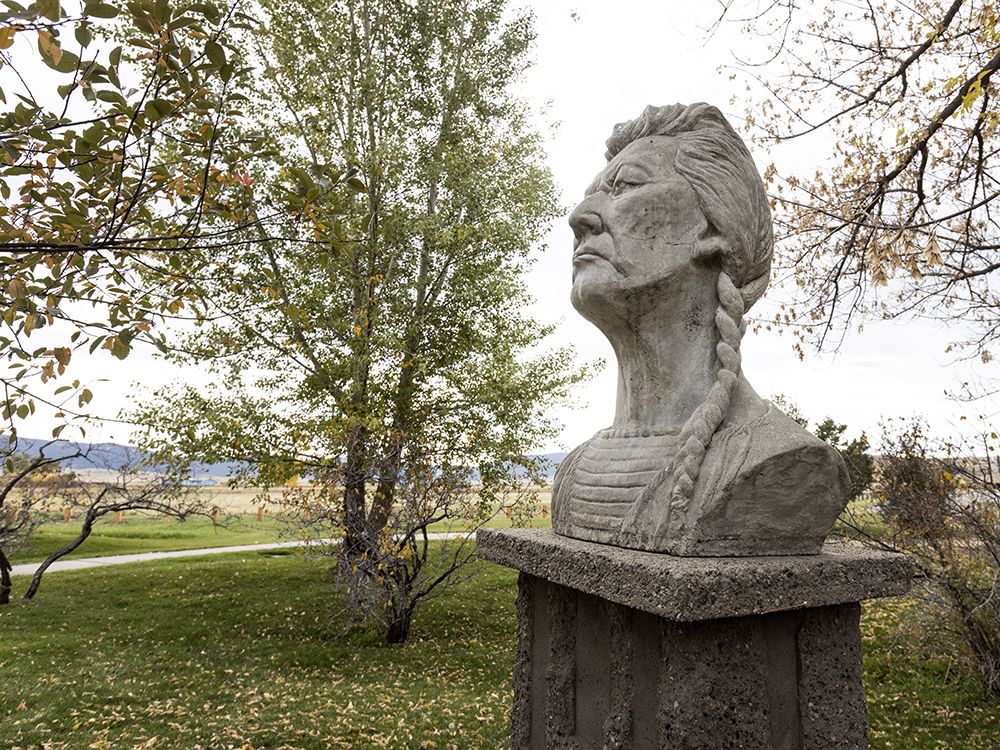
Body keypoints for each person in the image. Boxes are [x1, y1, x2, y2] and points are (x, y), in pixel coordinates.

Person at [551, 103, 849, 556]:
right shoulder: (574, 473)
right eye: (591, 195)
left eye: (625, 185)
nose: (580, 216)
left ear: (713, 228)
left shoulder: (778, 460)